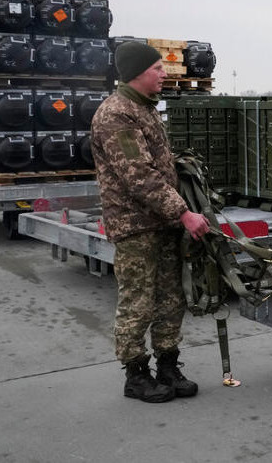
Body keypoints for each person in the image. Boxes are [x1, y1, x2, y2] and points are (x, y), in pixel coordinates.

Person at [91, 42, 210, 403]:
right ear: (137, 72)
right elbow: (138, 175)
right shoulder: (116, 115)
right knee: (138, 301)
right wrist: (184, 213)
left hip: (162, 222)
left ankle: (168, 365)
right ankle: (136, 374)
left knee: (171, 298)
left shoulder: (145, 109)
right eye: (157, 68)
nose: (164, 73)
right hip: (136, 225)